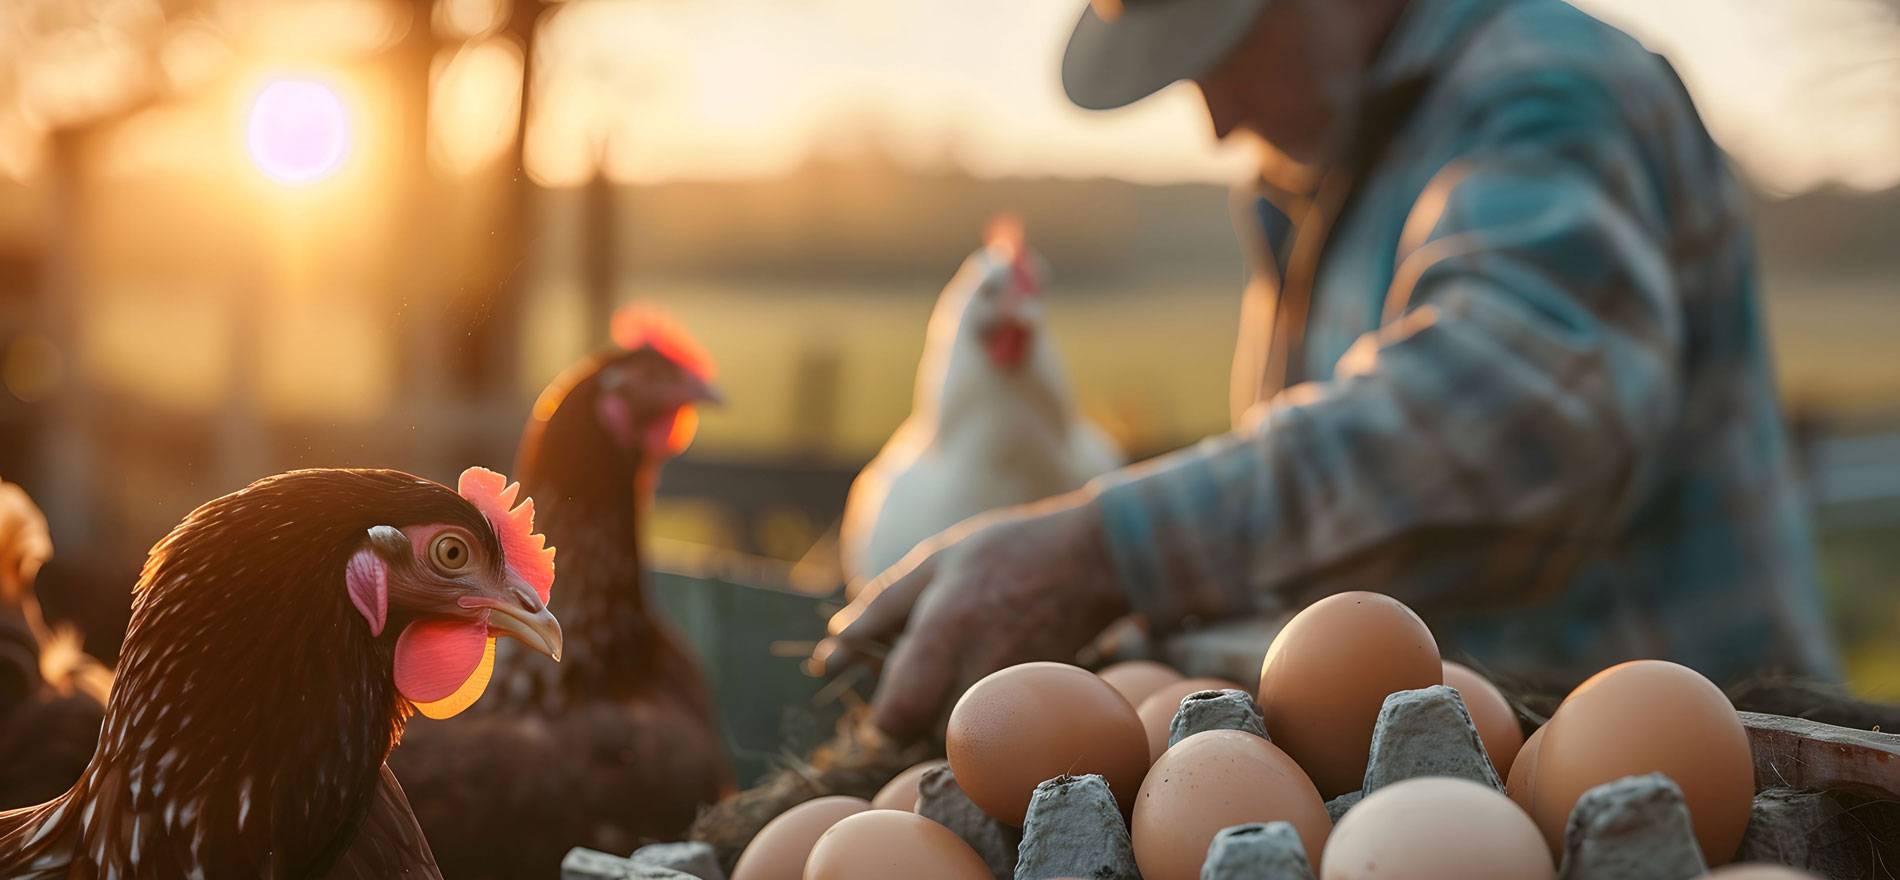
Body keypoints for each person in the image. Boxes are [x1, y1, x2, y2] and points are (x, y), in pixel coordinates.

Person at [817, 0, 1843, 739]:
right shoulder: (1332, 176)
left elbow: (1509, 408)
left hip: (1717, 771)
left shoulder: (1545, 86)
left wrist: (1109, 549)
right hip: (1473, 774)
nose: (1213, 119)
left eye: (1222, 46)